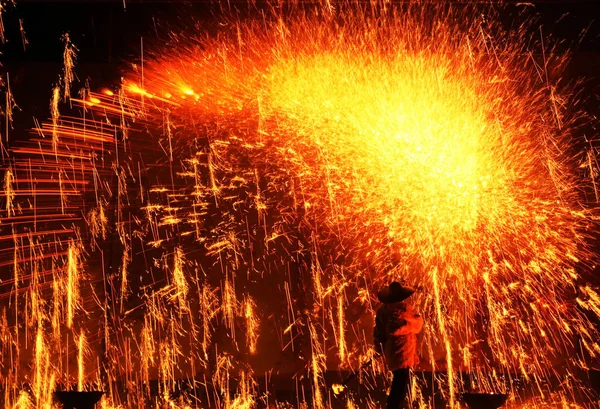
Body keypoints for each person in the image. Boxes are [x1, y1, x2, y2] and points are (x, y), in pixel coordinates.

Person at [374, 281, 424, 409]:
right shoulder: (404, 309)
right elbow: (416, 325)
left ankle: (394, 406)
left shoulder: (382, 310)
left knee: (400, 383)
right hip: (403, 351)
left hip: (391, 350)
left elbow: (378, 332)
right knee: (400, 385)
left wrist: (379, 347)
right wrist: (410, 326)